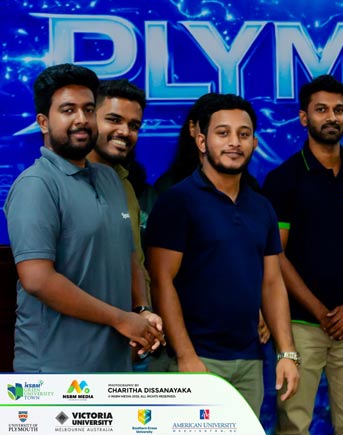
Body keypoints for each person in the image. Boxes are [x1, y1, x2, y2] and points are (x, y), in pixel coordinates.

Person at [147, 93, 300, 416]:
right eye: (223, 133)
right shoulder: (177, 201)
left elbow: (272, 283)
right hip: (196, 360)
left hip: (249, 360)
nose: (234, 142)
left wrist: (286, 353)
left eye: (243, 134)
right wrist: (186, 356)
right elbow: (161, 281)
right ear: (202, 141)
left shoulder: (262, 207)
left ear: (254, 143)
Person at [4, 64, 163, 372]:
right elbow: (38, 280)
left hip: (114, 365)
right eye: (68, 110)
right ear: (43, 122)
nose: (81, 119)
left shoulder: (110, 179)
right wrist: (121, 319)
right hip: (54, 371)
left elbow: (129, 255)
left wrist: (142, 309)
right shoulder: (36, 184)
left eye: (88, 109)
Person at [263, 75, 343, 435]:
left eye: (339, 110)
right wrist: (318, 310)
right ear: (303, 117)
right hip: (299, 325)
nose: (331, 117)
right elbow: (276, 255)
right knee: (294, 427)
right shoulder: (283, 179)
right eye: (321, 109)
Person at [88, 79, 149, 287]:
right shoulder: (59, 181)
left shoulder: (125, 185)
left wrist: (144, 304)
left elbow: (137, 263)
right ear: (89, 119)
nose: (125, 131)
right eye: (114, 120)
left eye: (134, 126)